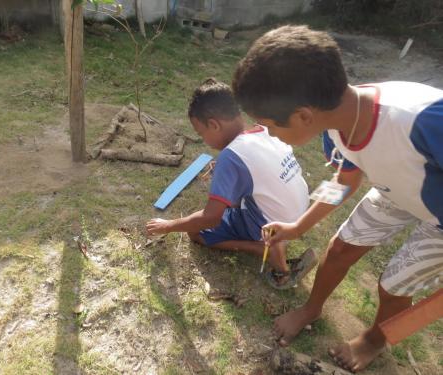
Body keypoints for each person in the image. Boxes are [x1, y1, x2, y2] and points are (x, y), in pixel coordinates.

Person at [232, 24, 443, 373]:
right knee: (340, 247)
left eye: (268, 124)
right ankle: (311, 308)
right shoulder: (334, 122)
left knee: (392, 285)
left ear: (303, 115)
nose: (268, 133)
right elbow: (345, 179)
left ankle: (375, 339)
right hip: (397, 189)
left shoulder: (423, 120)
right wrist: (298, 226)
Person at [146, 78, 311, 287]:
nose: (203, 139)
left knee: (195, 232)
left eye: (201, 133)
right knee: (237, 202)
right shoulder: (263, 130)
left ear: (214, 124)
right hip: (300, 214)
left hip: (272, 224)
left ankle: (262, 248)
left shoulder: (231, 157)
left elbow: (210, 218)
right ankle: (273, 240)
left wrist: (168, 226)